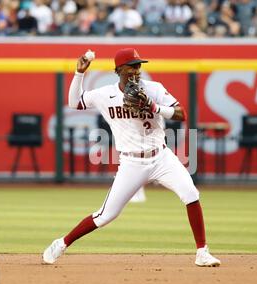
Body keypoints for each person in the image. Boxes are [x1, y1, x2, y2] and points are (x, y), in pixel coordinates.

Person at [42, 48, 221, 267]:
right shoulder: (105, 94)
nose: (137, 71)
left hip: (161, 157)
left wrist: (154, 107)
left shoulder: (153, 89)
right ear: (118, 70)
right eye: (132, 66)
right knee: (106, 216)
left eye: (139, 66)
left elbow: (181, 113)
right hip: (131, 162)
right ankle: (61, 243)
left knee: (191, 193)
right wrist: (79, 74)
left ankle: (202, 252)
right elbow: (74, 102)